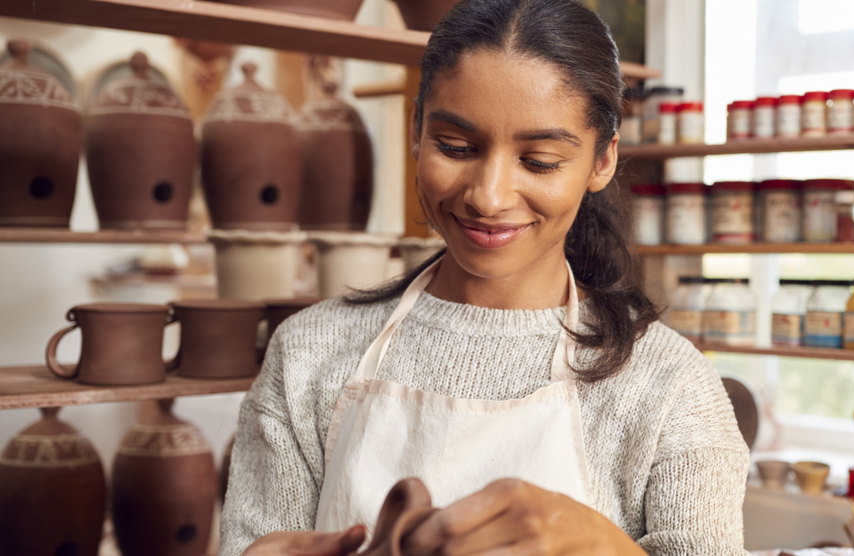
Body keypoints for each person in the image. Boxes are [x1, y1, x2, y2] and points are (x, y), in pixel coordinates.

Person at [219, 1, 749, 554]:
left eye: (539, 160)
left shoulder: (669, 387)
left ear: (602, 161)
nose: (488, 196)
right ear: (416, 131)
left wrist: (606, 547)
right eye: (456, 147)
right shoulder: (308, 354)